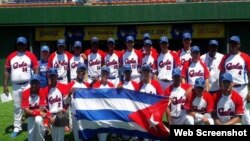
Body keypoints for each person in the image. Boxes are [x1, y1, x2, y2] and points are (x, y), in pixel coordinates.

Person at [4, 36, 39, 138]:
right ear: (17, 45)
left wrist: (35, 81)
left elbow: (36, 68)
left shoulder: (30, 55)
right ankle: (17, 128)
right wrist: (5, 85)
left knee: (32, 105)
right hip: (15, 86)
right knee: (17, 107)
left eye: (22, 44)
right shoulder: (11, 56)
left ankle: (33, 125)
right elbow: (6, 70)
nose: (21, 46)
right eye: (19, 44)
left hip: (28, 84)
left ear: (25, 45)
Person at [218, 35, 250, 125]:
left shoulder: (245, 57)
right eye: (231, 43)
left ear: (239, 45)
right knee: (230, 110)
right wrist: (221, 85)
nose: (233, 45)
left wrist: (249, 90)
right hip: (228, 88)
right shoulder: (225, 57)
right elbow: (221, 72)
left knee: (241, 109)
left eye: (235, 43)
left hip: (241, 87)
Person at [44, 67, 69, 141]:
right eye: (51, 76)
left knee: (61, 138)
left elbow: (66, 102)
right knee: (54, 138)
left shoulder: (62, 87)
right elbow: (44, 106)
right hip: (51, 116)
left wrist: (64, 110)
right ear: (49, 77)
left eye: (54, 76)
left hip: (60, 115)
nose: (52, 77)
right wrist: (49, 117)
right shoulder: (46, 89)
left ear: (57, 76)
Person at [21, 74, 48, 141]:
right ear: (30, 83)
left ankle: (41, 138)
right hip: (31, 116)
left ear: (39, 84)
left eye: (36, 83)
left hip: (38, 116)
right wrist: (37, 112)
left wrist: (30, 112)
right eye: (33, 82)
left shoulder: (41, 91)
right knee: (31, 139)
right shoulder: (25, 92)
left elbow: (42, 108)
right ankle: (43, 130)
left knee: (38, 120)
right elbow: (26, 110)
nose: (34, 85)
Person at [92, 66, 115, 141]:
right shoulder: (95, 85)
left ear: (108, 75)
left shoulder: (111, 86)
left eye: (106, 73)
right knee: (100, 135)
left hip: (108, 113)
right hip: (99, 113)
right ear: (101, 74)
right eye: (104, 73)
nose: (105, 75)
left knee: (108, 135)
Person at [67, 63, 89, 141]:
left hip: (84, 116)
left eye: (83, 71)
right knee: (77, 139)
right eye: (80, 70)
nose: (81, 73)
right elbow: (65, 102)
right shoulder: (70, 84)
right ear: (76, 71)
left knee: (85, 137)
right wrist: (69, 93)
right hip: (75, 116)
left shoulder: (86, 85)